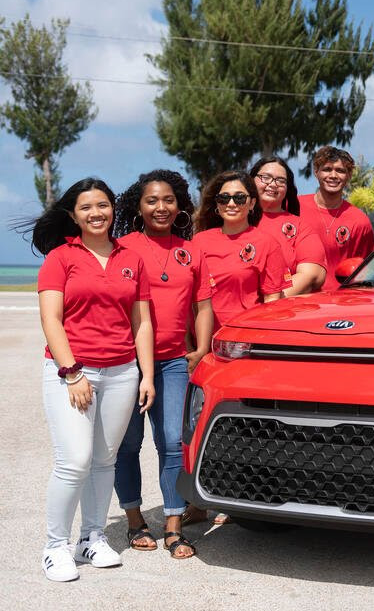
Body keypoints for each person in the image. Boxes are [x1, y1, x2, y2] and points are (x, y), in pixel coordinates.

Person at [29, 177, 156, 581]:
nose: (96, 213)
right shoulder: (60, 258)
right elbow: (51, 319)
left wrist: (146, 375)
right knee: (74, 461)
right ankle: (55, 547)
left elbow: (142, 322)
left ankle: (92, 538)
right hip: (71, 372)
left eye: (102, 205)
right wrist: (72, 372)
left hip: (122, 373)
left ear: (112, 209)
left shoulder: (131, 258)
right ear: (73, 215)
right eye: (86, 207)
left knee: (104, 461)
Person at [111, 170, 214, 558]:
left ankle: (173, 526)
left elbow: (202, 305)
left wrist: (201, 348)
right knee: (128, 444)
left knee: (173, 442)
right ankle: (135, 520)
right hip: (127, 362)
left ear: (179, 205)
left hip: (173, 361)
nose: (161, 207)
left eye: (168, 200)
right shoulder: (120, 248)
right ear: (138, 206)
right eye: (152, 200)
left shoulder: (192, 250)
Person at [194, 170, 286, 331]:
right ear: (217, 203)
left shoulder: (267, 243)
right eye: (224, 198)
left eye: (239, 198)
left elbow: (272, 301)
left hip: (245, 339)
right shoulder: (198, 242)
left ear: (251, 204)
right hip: (202, 343)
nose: (231, 204)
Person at [298, 146, 374, 290]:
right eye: (327, 169)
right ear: (316, 172)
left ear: (349, 175)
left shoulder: (359, 220)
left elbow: (364, 272)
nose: (333, 175)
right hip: (298, 299)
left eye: (340, 170)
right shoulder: (295, 208)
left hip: (339, 303)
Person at [249, 156, 327, 296]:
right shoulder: (231, 220)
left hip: (276, 309)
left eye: (280, 180)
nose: (273, 184)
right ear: (251, 181)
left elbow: (311, 275)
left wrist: (269, 301)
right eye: (265, 177)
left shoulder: (301, 227)